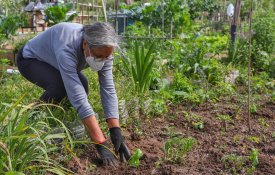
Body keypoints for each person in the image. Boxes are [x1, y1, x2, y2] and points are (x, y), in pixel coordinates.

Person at [16, 22, 131, 166]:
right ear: (85, 44)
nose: (103, 60)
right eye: (99, 56)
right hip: (30, 60)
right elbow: (78, 97)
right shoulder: (67, 46)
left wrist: (116, 132)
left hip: (53, 62)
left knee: (83, 86)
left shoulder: (105, 50)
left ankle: (59, 115)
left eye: (106, 57)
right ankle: (33, 115)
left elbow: (108, 88)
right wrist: (101, 143)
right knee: (60, 88)